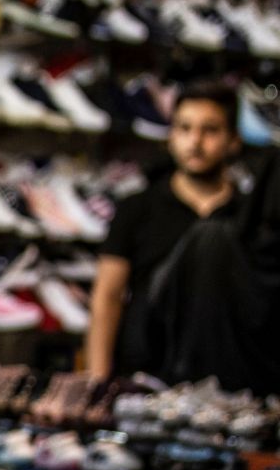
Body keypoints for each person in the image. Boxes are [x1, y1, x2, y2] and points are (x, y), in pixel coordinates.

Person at [86, 82, 244, 383]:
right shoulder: (138, 208)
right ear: (171, 135)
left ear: (233, 140)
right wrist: (97, 378)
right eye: (184, 128)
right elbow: (107, 295)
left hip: (226, 380)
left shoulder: (249, 216)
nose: (195, 142)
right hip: (146, 372)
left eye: (209, 130)